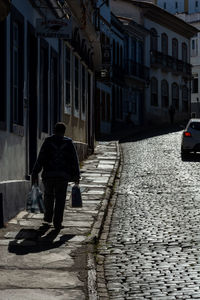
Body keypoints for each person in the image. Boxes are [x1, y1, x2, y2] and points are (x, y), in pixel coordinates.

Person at [31, 122, 80, 230]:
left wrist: (35, 172)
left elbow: (41, 158)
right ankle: (57, 222)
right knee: (60, 199)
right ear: (64, 131)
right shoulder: (68, 143)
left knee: (48, 197)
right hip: (63, 176)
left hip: (48, 175)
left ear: (54, 130)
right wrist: (76, 176)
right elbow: (74, 160)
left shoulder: (48, 141)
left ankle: (48, 218)